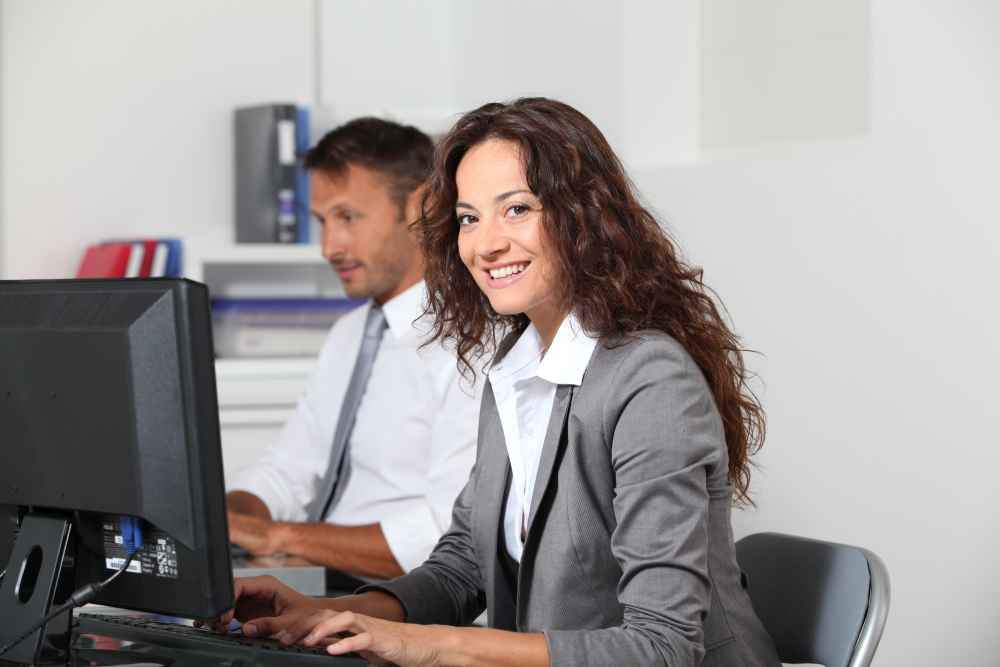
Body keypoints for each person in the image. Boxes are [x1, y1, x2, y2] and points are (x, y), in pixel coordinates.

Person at [213, 99, 781, 666]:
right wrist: (331, 614)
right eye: (469, 218)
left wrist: (426, 645)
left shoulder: (649, 379)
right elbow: (463, 565)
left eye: (516, 209)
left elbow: (662, 647)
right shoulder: (515, 368)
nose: (486, 244)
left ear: (583, 215)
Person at [225, 118, 481, 582]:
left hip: (400, 596)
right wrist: (225, 522)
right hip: (316, 580)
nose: (329, 247)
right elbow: (288, 470)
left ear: (422, 207)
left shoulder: (470, 341)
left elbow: (448, 531)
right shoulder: (349, 334)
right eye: (322, 222)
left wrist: (279, 537)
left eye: (347, 217)